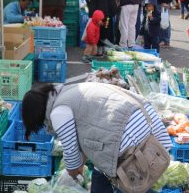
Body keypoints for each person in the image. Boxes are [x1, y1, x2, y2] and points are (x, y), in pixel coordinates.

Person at [21, 83, 172, 193]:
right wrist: (81, 163)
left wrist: (73, 173)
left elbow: (71, 151)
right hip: (146, 121)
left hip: (127, 134)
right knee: (102, 174)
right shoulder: (70, 90)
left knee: (128, 182)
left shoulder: (58, 112)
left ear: (38, 114)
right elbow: (87, 134)